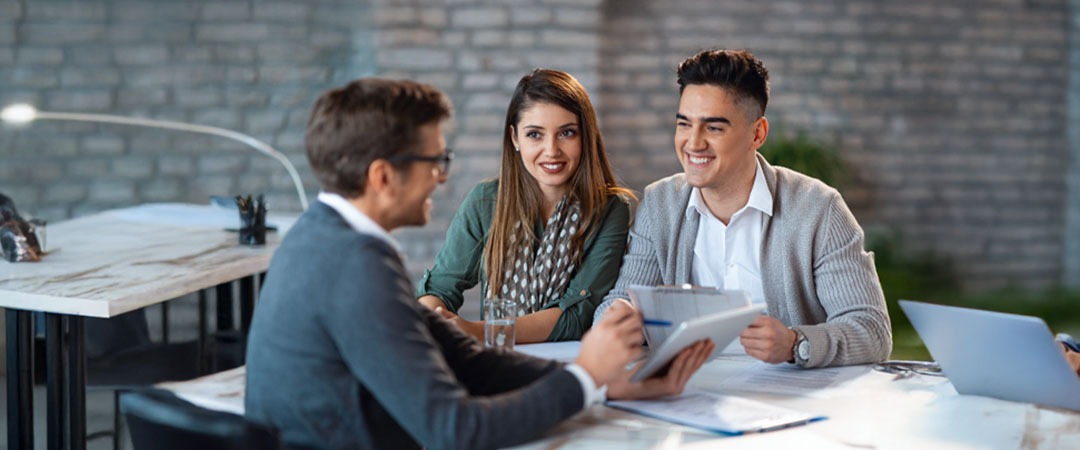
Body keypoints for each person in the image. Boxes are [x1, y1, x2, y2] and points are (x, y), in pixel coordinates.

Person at [245, 77, 715, 450]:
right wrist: (585, 376)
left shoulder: (323, 238)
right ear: (384, 176)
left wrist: (606, 386)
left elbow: (462, 357)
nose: (441, 177)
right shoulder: (355, 263)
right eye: (435, 160)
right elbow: (457, 432)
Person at [593, 49, 892, 368]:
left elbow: (872, 332)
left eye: (714, 128)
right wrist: (619, 318)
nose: (693, 143)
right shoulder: (660, 204)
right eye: (684, 124)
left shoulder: (818, 210)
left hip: (789, 400)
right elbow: (618, 303)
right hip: (685, 390)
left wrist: (795, 344)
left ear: (757, 133)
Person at [416, 68, 634, 343]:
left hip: (572, 364)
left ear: (585, 136)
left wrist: (476, 331)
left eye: (566, 133)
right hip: (500, 363)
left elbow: (576, 316)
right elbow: (441, 287)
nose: (551, 150)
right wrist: (436, 320)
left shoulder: (610, 209)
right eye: (535, 134)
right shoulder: (486, 202)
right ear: (515, 138)